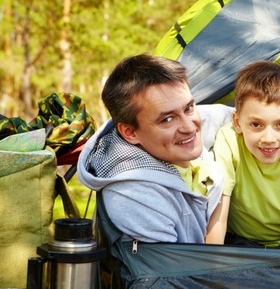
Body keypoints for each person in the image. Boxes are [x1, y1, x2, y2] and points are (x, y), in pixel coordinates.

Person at [77, 54, 233, 243]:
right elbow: (174, 270)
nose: (190, 127)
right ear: (130, 132)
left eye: (189, 108)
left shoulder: (181, 137)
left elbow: (239, 115)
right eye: (167, 119)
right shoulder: (135, 199)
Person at [212, 61, 280, 248]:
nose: (269, 138)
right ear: (238, 122)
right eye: (256, 125)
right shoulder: (229, 140)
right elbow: (218, 218)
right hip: (241, 240)